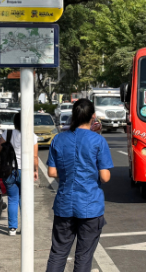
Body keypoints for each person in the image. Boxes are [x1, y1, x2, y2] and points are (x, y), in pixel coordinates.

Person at [46, 99, 113, 272]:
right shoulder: (98, 141)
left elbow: (52, 173)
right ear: (93, 116)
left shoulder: (58, 139)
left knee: (58, 253)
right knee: (83, 257)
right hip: (90, 206)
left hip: (64, 204)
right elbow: (105, 177)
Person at [0, 113, 39, 236]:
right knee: (24, 199)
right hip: (25, 171)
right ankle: (26, 228)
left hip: (10, 170)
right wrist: (35, 170)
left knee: (12, 199)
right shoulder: (32, 136)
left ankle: (12, 229)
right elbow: (35, 156)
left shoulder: (7, 134)